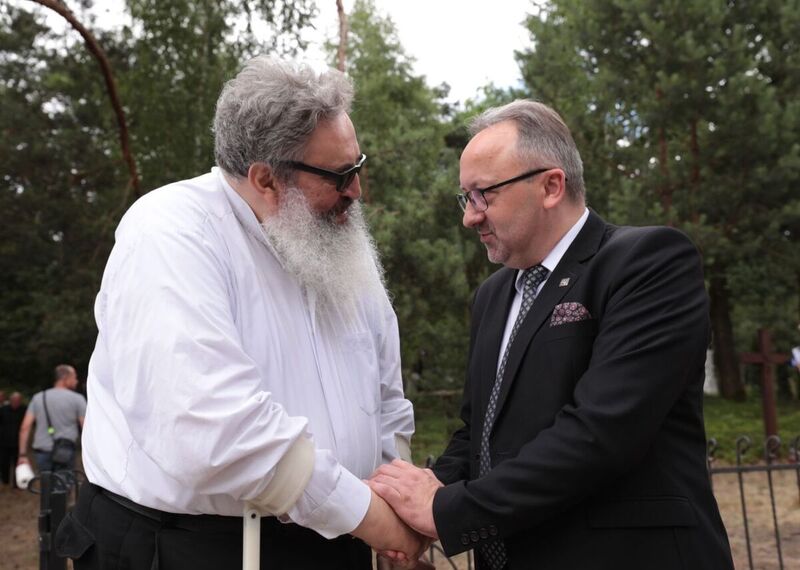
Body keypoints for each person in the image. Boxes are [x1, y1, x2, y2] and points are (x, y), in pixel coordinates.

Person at [55, 56, 424, 570]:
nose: (356, 191)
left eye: (358, 167)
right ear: (266, 179)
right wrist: (372, 518)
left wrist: (394, 498)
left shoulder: (337, 247)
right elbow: (213, 428)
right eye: (341, 176)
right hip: (191, 547)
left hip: (342, 537)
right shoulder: (171, 233)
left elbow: (386, 399)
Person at [369, 100, 734, 570]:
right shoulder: (492, 296)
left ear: (551, 186)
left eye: (483, 195)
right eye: (466, 198)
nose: (470, 217)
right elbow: (477, 433)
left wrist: (447, 511)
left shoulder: (648, 262)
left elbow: (602, 432)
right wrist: (413, 509)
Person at [18, 365, 86, 473]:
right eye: (74, 377)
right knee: (64, 482)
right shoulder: (78, 399)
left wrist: (22, 454)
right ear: (65, 378)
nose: (76, 381)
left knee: (46, 482)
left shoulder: (38, 398)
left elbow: (25, 427)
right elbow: (86, 428)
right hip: (66, 451)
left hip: (42, 451)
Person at [0, 392, 27, 486]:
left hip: (18, 442)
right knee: (4, 463)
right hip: (4, 442)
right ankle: (5, 481)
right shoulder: (3, 410)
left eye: (18, 401)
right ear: (10, 400)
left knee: (17, 464)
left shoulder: (24, 410)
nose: (16, 402)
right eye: (14, 400)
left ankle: (17, 483)